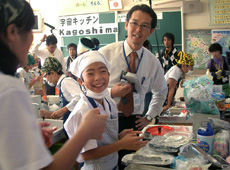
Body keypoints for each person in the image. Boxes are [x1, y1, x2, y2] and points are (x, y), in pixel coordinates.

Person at [0, 1, 107, 169]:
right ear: (12, 32)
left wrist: (22, 132)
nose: (31, 41)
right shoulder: (9, 89)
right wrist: (85, 131)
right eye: (30, 31)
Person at [99, 5, 167, 169]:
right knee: (105, 163)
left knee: (130, 165)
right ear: (126, 25)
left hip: (135, 121)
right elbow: (88, 90)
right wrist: (111, 92)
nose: (138, 30)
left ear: (150, 31)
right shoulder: (105, 53)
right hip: (107, 120)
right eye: (134, 23)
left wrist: (150, 117)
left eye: (144, 26)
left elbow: (161, 91)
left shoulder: (152, 61)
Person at [64, 51, 147, 170]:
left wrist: (118, 137)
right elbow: (85, 154)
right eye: (90, 73)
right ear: (81, 82)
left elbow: (102, 142)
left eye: (103, 71)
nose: (98, 78)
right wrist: (121, 144)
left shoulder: (110, 103)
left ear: (109, 75)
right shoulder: (83, 110)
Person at [40, 57, 81, 126]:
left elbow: (80, 97)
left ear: (52, 73)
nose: (46, 80)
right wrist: (50, 114)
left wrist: (64, 110)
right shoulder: (61, 84)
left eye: (45, 76)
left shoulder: (66, 81)